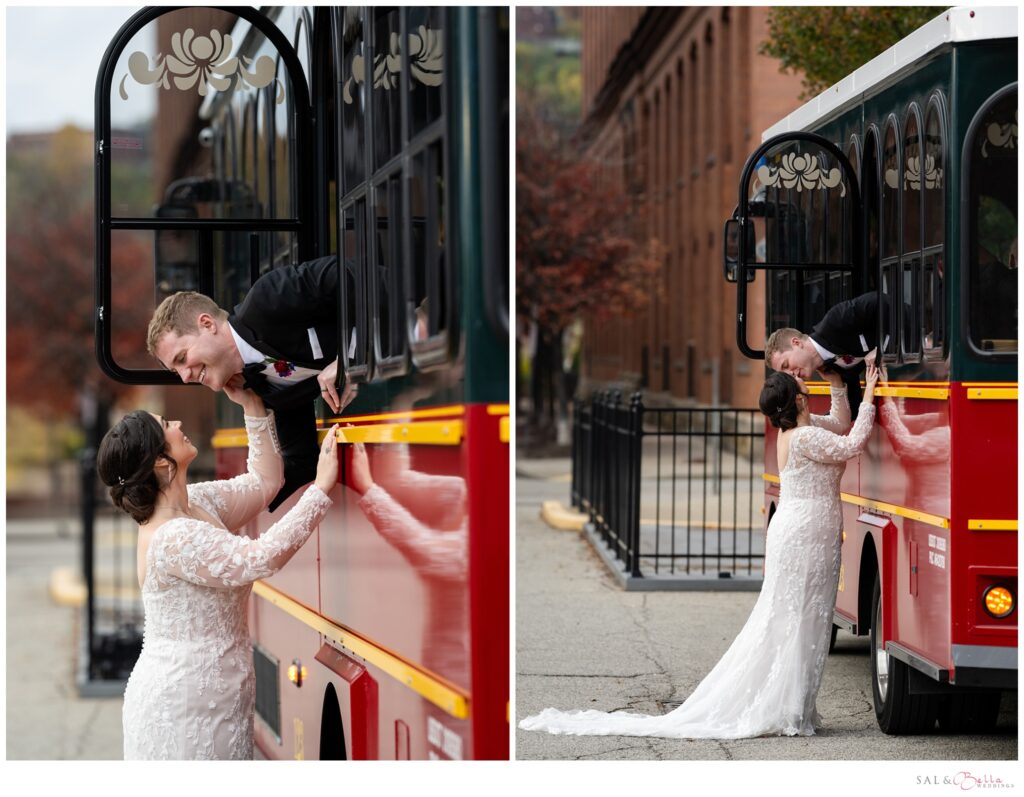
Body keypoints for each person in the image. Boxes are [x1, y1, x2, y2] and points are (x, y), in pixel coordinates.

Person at [519, 364, 879, 739]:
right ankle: (789, 708)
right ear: (800, 399)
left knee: (801, 619)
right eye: (803, 384)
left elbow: (840, 424)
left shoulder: (799, 433)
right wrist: (868, 394)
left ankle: (795, 705)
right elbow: (852, 444)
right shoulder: (805, 438)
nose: (805, 380)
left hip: (802, 530)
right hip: (805, 534)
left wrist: (839, 386)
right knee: (799, 620)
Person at [96, 382, 339, 759]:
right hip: (183, 707)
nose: (177, 423)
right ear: (161, 460)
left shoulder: (198, 501)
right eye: (167, 425)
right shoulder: (172, 537)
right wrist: (321, 490)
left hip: (223, 695)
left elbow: (264, 482)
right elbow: (260, 557)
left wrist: (251, 404)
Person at [146, 256, 355, 510]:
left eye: (182, 358)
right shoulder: (256, 384)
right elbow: (301, 463)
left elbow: (359, 275)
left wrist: (351, 358)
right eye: (175, 370)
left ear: (207, 324)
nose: (185, 376)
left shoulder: (268, 299)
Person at [764, 291, 888, 418]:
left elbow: (884, 302)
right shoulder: (831, 370)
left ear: (796, 343)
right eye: (785, 373)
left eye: (786, 365)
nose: (790, 374)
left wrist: (883, 349)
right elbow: (853, 410)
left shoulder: (835, 321)